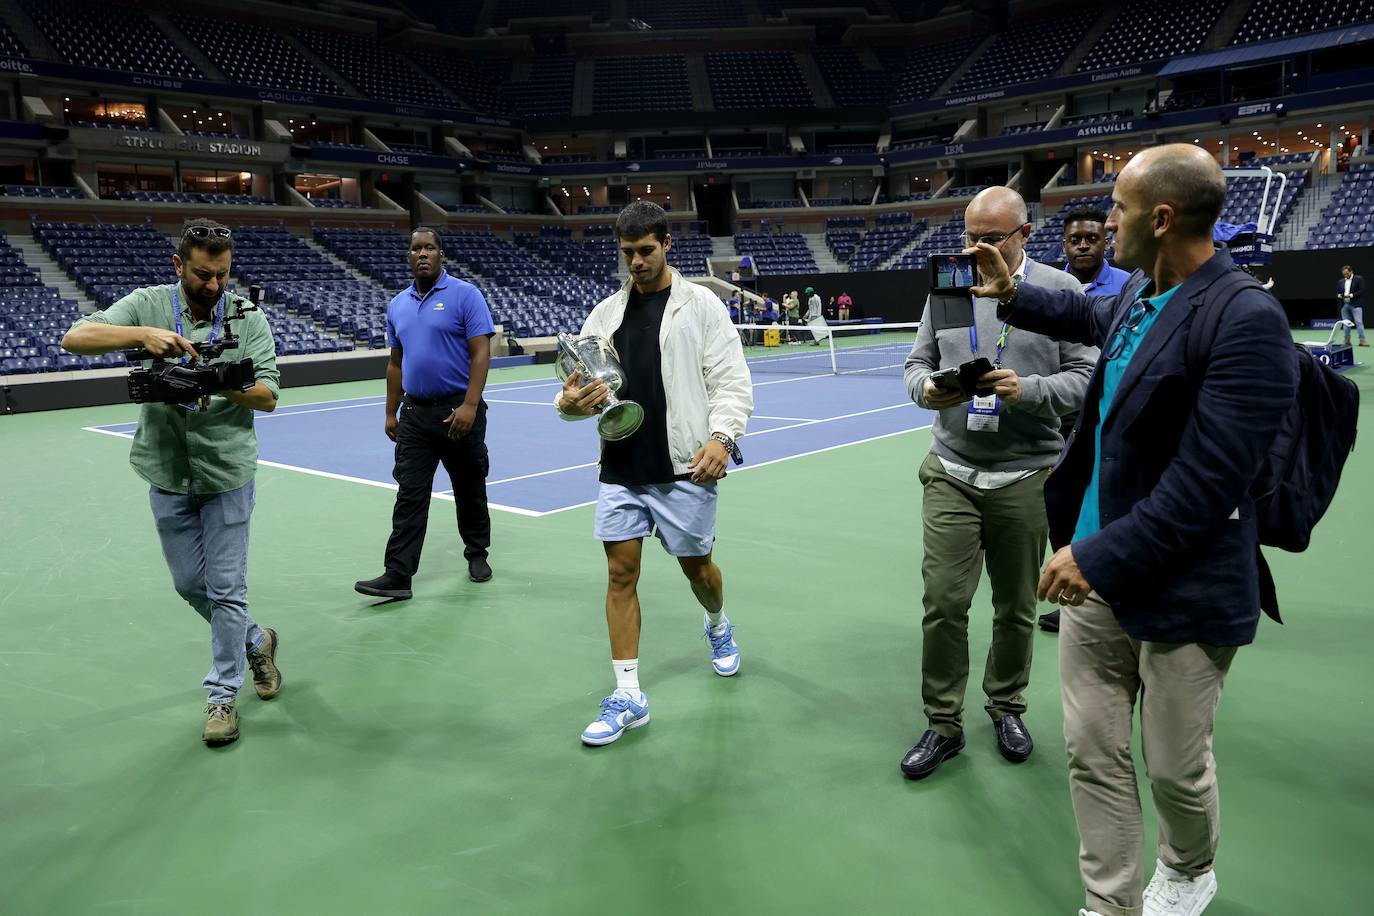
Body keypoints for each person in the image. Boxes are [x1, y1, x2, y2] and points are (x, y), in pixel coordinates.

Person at [968, 144, 1298, 916]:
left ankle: (1188, 871)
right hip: (1097, 582)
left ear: (1161, 217)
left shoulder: (1246, 317)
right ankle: (1110, 900)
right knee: (1093, 754)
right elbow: (1085, 310)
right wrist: (1011, 291)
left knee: (1175, 768)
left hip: (1181, 584)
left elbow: (1209, 485)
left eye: (1116, 208)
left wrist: (1095, 554)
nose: (1103, 221)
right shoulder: (1140, 296)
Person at [60, 218, 283, 747]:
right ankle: (258, 640)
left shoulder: (249, 317)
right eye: (203, 274)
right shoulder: (148, 303)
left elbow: (270, 394)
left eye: (222, 275)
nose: (213, 285)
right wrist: (142, 335)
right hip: (166, 469)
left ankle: (222, 697)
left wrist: (217, 382)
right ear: (179, 265)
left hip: (227, 470)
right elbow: (76, 338)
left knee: (226, 589)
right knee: (189, 584)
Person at [900, 187, 1096, 781]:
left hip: (1027, 474)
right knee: (944, 604)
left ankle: (1007, 706)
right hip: (951, 471)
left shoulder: (1061, 292)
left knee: (1015, 607)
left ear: (1025, 235)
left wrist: (1028, 391)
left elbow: (1088, 378)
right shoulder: (949, 284)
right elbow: (915, 365)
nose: (977, 247)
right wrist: (928, 391)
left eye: (992, 237)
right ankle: (943, 723)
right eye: (971, 236)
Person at [555, 201, 753, 747]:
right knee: (621, 574)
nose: (637, 263)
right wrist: (569, 404)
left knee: (699, 571)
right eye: (627, 254)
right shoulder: (603, 316)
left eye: (646, 251)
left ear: (668, 244)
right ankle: (628, 695)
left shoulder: (703, 307)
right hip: (620, 466)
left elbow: (732, 382)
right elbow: (574, 390)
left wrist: (722, 437)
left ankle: (717, 623)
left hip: (683, 467)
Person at [355, 228, 496, 601]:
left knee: (469, 487)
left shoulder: (466, 296)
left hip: (457, 411)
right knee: (410, 494)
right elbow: (395, 361)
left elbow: (481, 353)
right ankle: (398, 574)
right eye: (416, 248)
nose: (422, 254)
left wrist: (469, 404)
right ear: (408, 256)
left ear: (441, 254)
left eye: (429, 248)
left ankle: (477, 552)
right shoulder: (397, 304)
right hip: (415, 414)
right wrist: (390, 411)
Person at [1040, 204, 1132, 633]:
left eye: (1091, 238)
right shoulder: (1051, 285)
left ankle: (1109, 589)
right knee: (1060, 508)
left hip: (1103, 420)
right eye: (1075, 239)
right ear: (1063, 244)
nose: (1082, 245)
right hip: (1057, 418)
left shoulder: (1128, 288)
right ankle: (1071, 593)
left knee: (1101, 505)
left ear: (1106, 241)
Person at [1338, 264, 1366, 346]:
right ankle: (1347, 340)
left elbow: (1362, 290)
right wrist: (1339, 295)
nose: (1345, 275)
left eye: (1347, 273)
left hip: (1356, 304)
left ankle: (1362, 340)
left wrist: (1351, 295)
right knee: (1346, 323)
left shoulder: (1358, 279)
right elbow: (1338, 292)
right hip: (1345, 304)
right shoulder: (1341, 281)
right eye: (1344, 274)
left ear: (1351, 271)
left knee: (1358, 322)